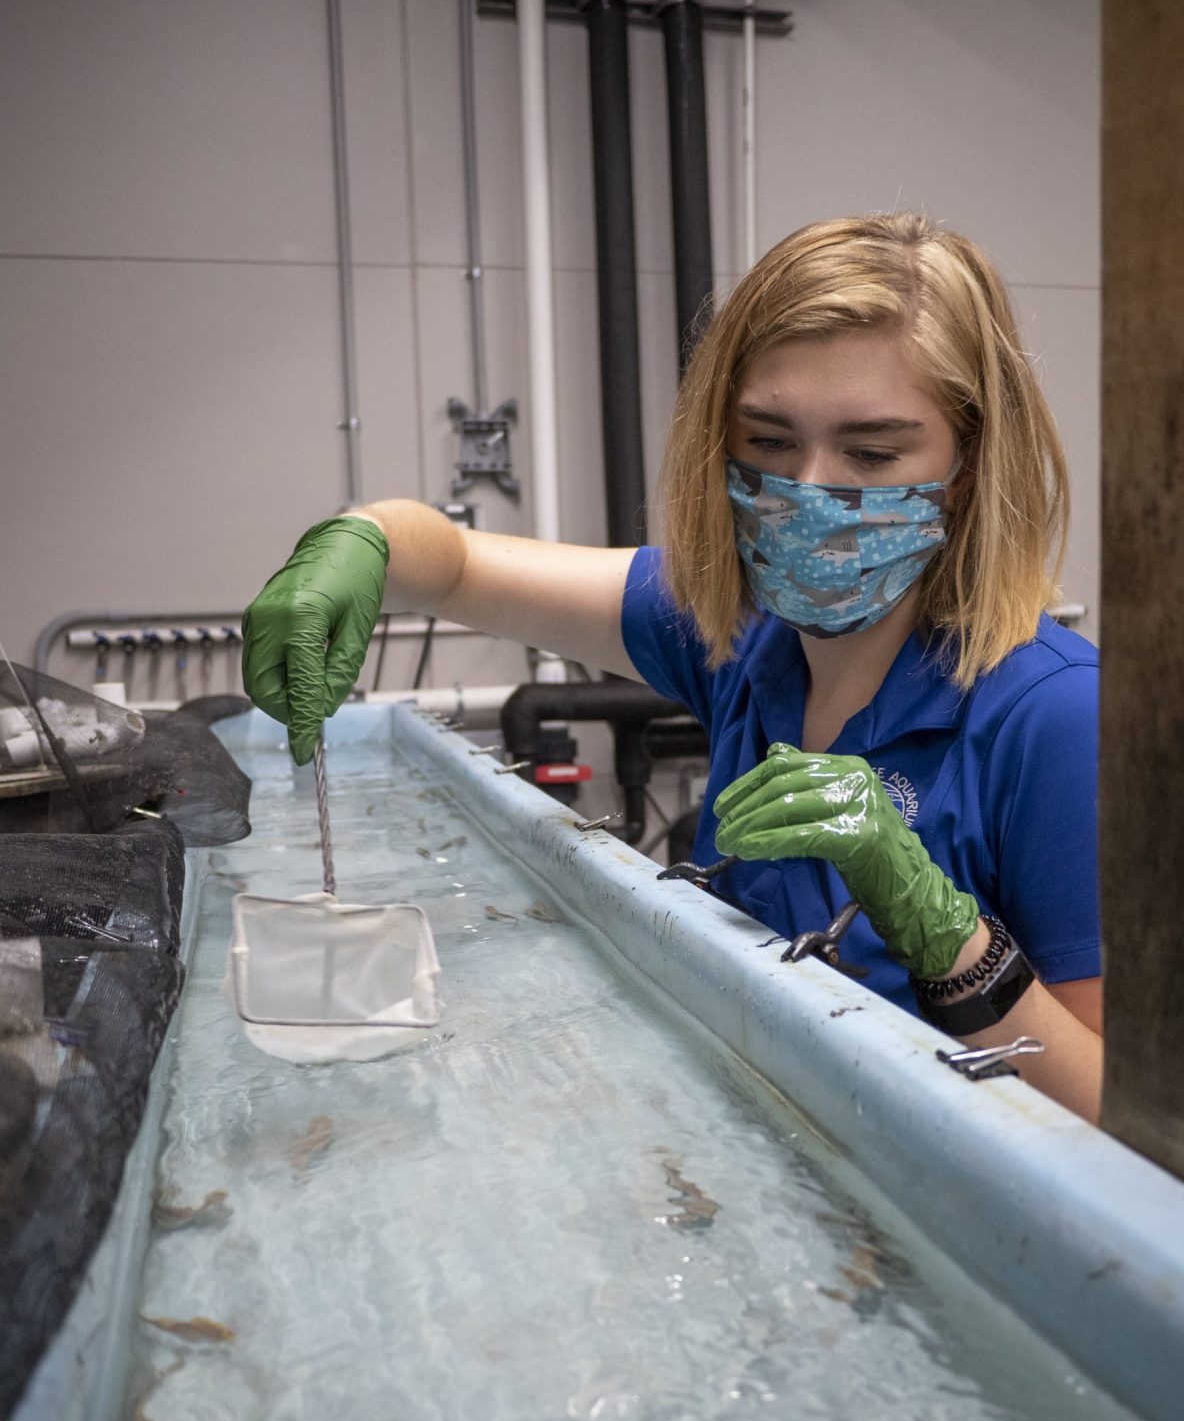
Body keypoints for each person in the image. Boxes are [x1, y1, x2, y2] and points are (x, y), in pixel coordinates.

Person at [241, 213, 1102, 1123]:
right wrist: (361, 541)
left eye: (872, 453)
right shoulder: (735, 632)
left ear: (966, 464)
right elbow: (452, 564)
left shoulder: (1053, 716)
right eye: (769, 442)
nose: (808, 487)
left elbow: (1120, 1121)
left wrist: (946, 935)